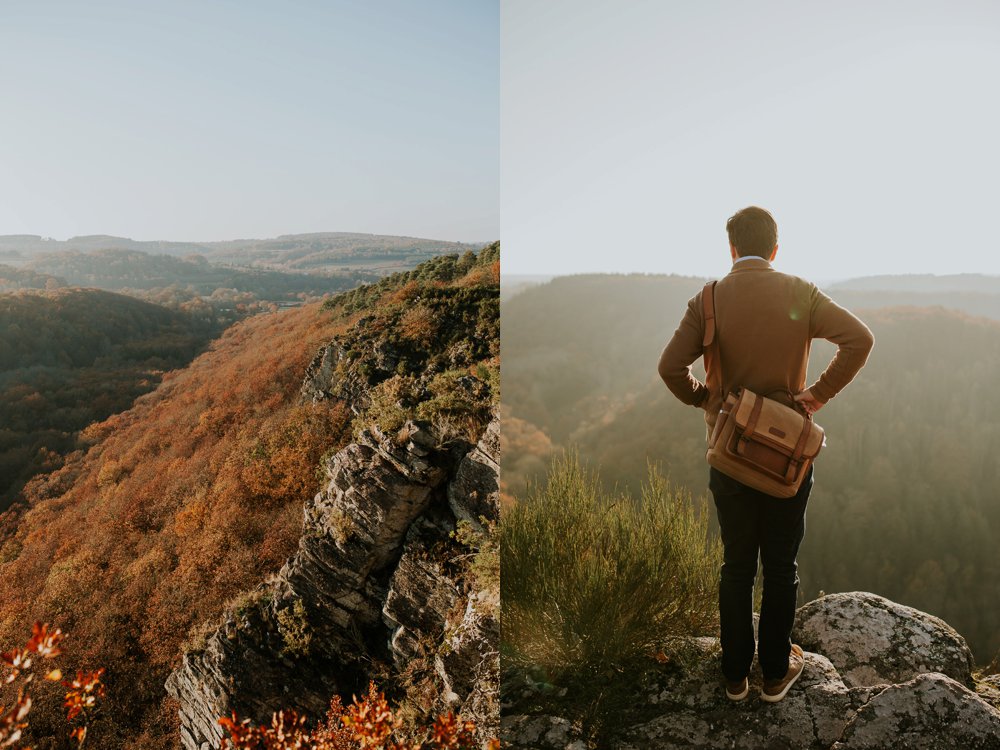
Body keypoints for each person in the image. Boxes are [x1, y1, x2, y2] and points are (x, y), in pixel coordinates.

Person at [657, 206, 874, 703]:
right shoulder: (801, 291)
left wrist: (705, 399)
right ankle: (775, 674)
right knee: (781, 566)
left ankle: (734, 677)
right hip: (786, 455)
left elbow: (671, 367)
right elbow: (860, 339)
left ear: (731, 248)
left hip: (729, 453)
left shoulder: (708, 298)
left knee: (736, 565)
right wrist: (816, 395)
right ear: (776, 249)